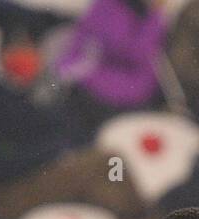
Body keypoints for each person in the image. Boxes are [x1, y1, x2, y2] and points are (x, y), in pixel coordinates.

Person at [0, 27, 143, 219]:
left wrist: (60, 154)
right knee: (107, 161)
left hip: (41, 177)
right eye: (19, 49)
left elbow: (72, 134)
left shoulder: (42, 93)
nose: (27, 56)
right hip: (5, 193)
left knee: (106, 179)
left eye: (31, 49)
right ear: (3, 54)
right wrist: (52, 156)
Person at [56, 0, 169, 135]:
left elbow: (141, 81)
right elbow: (70, 62)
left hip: (128, 106)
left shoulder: (158, 20)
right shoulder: (107, 8)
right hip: (97, 101)